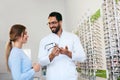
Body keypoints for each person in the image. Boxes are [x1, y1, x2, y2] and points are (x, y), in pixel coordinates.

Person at [38, 12, 86, 80]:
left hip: (70, 77)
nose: (51, 26)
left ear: (60, 22)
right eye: (49, 23)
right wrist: (51, 55)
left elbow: (82, 57)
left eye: (53, 23)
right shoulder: (44, 40)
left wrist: (67, 53)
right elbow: (41, 62)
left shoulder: (73, 37)